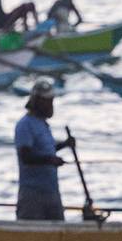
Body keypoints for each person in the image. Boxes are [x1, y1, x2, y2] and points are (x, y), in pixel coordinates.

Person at [15, 77, 71, 220]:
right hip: (33, 193)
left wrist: (64, 145)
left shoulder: (43, 124)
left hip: (51, 190)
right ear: (36, 101)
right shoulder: (25, 124)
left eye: (51, 101)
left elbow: (47, 150)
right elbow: (26, 157)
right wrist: (50, 160)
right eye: (47, 102)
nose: (51, 106)